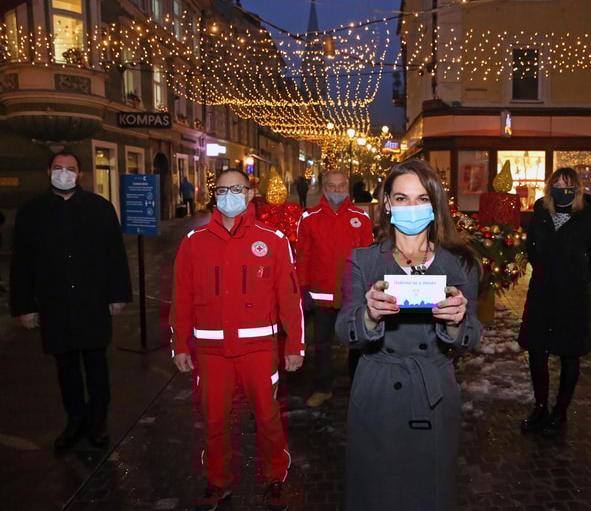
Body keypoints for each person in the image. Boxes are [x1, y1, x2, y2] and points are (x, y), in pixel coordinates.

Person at [335, 158, 481, 510]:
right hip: (377, 390)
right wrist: (368, 315)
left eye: (421, 198)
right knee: (376, 494)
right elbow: (345, 331)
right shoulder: (363, 261)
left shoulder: (459, 263)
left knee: (427, 494)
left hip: (433, 392)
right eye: (401, 198)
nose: (411, 207)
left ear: (435, 204)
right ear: (386, 203)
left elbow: (472, 336)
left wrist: (455, 321)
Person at [172, 169, 304, 511]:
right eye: (222, 189)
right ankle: (217, 481)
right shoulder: (193, 242)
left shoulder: (273, 240)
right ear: (214, 195)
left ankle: (276, 477)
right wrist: (180, 345)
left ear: (249, 194)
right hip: (211, 350)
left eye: (237, 188)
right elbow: (182, 297)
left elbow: (290, 299)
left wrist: (295, 345)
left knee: (268, 417)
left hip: (258, 349)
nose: (229, 195)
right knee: (214, 420)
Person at [10, 153, 132, 451]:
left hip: (92, 300)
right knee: (65, 364)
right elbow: (21, 263)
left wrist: (118, 296)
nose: (63, 174)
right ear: (48, 171)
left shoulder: (99, 208)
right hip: (54, 303)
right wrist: (25, 306)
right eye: (58, 168)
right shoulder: (31, 212)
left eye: (70, 169)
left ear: (80, 175)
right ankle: (75, 418)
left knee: (96, 362)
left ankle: (99, 419)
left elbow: (114, 255)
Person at [518, 167, 591, 436]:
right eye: (557, 184)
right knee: (537, 350)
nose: (562, 189)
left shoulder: (589, 221)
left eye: (568, 185)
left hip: (572, 298)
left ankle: (561, 409)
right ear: (550, 188)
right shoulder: (540, 217)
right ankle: (541, 405)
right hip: (542, 294)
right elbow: (532, 250)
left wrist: (575, 279)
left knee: (569, 353)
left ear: (577, 189)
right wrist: (548, 274)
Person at [296, 170, 373, 408]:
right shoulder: (309, 218)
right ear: (323, 187)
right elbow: (303, 255)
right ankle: (323, 387)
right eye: (332, 185)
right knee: (322, 344)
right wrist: (302, 287)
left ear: (347, 187)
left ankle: (359, 389)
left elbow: (369, 256)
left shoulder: (361, 217)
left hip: (353, 294)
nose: (336, 190)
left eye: (341, 186)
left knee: (358, 343)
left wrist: (369, 288)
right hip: (321, 295)